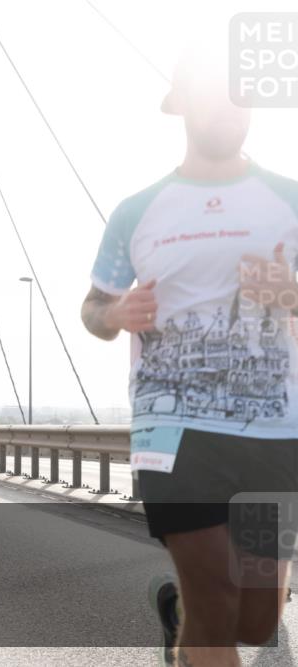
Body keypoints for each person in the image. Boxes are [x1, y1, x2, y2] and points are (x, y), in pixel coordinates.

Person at [81, 42, 298, 666]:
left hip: (272, 432)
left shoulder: (288, 200)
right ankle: (194, 615)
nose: (230, 108)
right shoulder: (136, 213)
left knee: (257, 617)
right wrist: (117, 314)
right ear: (182, 106)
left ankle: (176, 613)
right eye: (213, 93)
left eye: (240, 94)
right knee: (214, 603)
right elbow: (92, 308)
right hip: (172, 431)